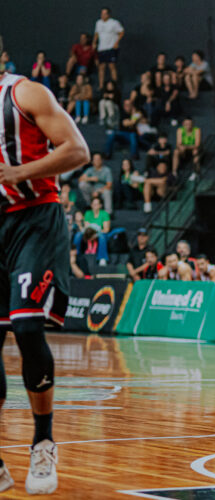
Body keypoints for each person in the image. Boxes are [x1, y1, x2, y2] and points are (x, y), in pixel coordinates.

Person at [0, 55, 91, 494]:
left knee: (27, 326)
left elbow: (77, 150)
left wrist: (20, 172)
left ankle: (43, 442)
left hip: (34, 217)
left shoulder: (24, 93)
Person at [92, 7, 124, 89]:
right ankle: (101, 85)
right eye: (101, 13)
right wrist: (94, 42)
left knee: (111, 66)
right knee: (101, 67)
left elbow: (121, 32)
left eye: (104, 14)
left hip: (111, 47)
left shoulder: (114, 23)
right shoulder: (98, 23)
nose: (103, 15)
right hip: (101, 48)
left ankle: (114, 85)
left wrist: (116, 43)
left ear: (108, 14)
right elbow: (96, 33)